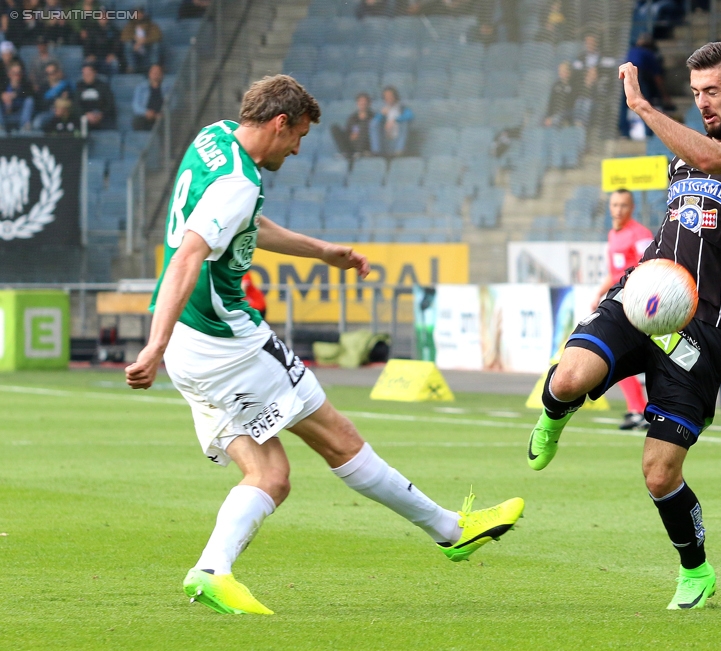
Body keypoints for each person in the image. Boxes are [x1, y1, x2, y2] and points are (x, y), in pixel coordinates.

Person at [125, 74, 524, 616]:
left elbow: (242, 226)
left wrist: (321, 251)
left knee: (270, 476)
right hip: (229, 342)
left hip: (191, 352)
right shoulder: (239, 182)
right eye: (299, 137)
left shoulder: (212, 138)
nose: (297, 148)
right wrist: (152, 343)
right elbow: (190, 254)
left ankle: (212, 571)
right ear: (279, 122)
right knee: (338, 436)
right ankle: (451, 530)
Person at [526, 41, 721, 610]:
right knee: (568, 379)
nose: (703, 103)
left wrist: (644, 108)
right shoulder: (679, 159)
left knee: (659, 472)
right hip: (646, 295)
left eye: (712, 92)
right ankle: (553, 416)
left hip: (702, 328)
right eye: (695, 94)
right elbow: (685, 239)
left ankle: (695, 571)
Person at [590, 189, 655, 430]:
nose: (618, 210)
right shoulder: (613, 235)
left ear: (632, 208)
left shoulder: (640, 234)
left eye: (623, 205)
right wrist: (599, 293)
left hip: (637, 301)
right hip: (619, 301)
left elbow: (648, 265)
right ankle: (636, 410)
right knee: (618, 355)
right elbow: (614, 273)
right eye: (615, 205)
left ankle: (646, 410)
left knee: (630, 355)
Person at [369, 85, 413, 157]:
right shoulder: (383, 109)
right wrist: (381, 114)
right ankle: (376, 151)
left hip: (397, 141)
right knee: (374, 123)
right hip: (385, 141)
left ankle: (399, 151)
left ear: (395, 96)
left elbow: (410, 116)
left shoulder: (402, 108)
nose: (388, 98)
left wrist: (394, 120)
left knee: (404, 123)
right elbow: (373, 124)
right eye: (386, 96)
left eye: (390, 95)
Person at [330, 92, 374, 162]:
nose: (362, 103)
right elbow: (348, 130)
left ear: (369, 103)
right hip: (353, 142)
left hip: (365, 144)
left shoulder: (373, 117)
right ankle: (346, 152)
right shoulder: (353, 117)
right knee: (334, 128)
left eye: (364, 101)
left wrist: (358, 132)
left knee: (363, 128)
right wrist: (351, 134)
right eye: (360, 101)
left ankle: (359, 152)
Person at [31, 60, 72, 131]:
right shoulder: (43, 88)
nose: (51, 75)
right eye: (48, 73)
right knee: (37, 123)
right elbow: (40, 105)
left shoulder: (66, 86)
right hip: (48, 112)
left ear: (58, 72)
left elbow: (71, 101)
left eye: (53, 72)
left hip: (64, 112)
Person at [120, 8, 162, 74]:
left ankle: (154, 66)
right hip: (135, 50)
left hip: (147, 49)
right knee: (127, 45)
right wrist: (135, 40)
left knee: (156, 45)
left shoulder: (151, 25)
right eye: (137, 13)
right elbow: (124, 37)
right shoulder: (129, 25)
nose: (139, 15)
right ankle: (132, 67)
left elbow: (157, 36)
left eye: (140, 13)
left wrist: (144, 41)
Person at [75, 62, 116, 130]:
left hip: (101, 117)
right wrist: (86, 115)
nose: (86, 77)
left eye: (89, 74)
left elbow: (110, 103)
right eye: (84, 75)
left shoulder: (103, 86)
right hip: (85, 118)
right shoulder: (79, 87)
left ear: (94, 73)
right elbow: (76, 104)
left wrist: (101, 114)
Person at [0, 61, 34, 133]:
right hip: (5, 116)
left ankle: (25, 127)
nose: (17, 75)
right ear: (9, 74)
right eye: (14, 73)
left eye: (19, 73)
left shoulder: (26, 85)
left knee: (29, 100)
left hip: (20, 116)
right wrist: (2, 96)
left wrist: (15, 95)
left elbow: (32, 94)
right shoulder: (4, 84)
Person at [132, 63, 164, 131]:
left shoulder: (168, 89)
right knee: (137, 121)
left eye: (158, 72)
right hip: (146, 116)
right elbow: (136, 105)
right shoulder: (141, 88)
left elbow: (173, 103)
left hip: (162, 117)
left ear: (162, 75)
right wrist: (146, 112)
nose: (156, 74)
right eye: (154, 72)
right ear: (149, 74)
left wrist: (163, 114)